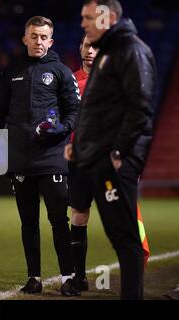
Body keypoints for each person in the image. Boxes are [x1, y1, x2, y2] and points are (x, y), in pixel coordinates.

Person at [0, 16, 81, 296]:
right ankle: (34, 277)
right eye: (34, 36)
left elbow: (75, 112)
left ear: (50, 41)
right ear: (25, 39)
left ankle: (67, 277)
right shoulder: (12, 71)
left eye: (44, 37)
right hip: (20, 160)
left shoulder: (62, 72)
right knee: (28, 222)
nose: (38, 41)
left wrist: (59, 130)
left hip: (52, 157)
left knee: (58, 220)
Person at [72, 0, 155, 299]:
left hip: (116, 160)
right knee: (120, 237)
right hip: (99, 160)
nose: (82, 23)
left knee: (126, 239)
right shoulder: (109, 52)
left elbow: (141, 107)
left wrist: (119, 152)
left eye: (88, 17)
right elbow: (99, 111)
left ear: (109, 17)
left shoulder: (130, 50)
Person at [64, 34, 98, 291]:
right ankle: (80, 276)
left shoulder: (114, 81)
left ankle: (133, 277)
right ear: (80, 48)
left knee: (120, 221)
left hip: (108, 160)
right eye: (86, 45)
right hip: (78, 161)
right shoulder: (69, 81)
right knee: (79, 216)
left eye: (95, 46)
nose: (90, 51)